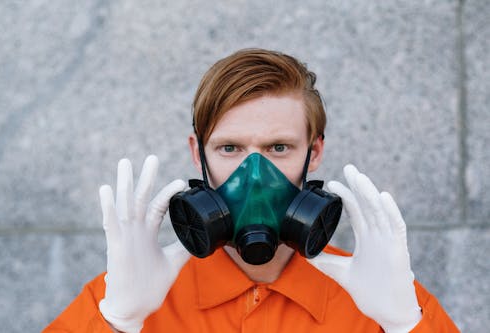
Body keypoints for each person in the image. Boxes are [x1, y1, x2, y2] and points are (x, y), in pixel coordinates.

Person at [44, 48, 459, 333]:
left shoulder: (384, 296)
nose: (254, 174)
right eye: (230, 148)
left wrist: (406, 325)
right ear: (197, 154)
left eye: (279, 148)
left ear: (314, 152)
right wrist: (116, 322)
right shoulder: (125, 293)